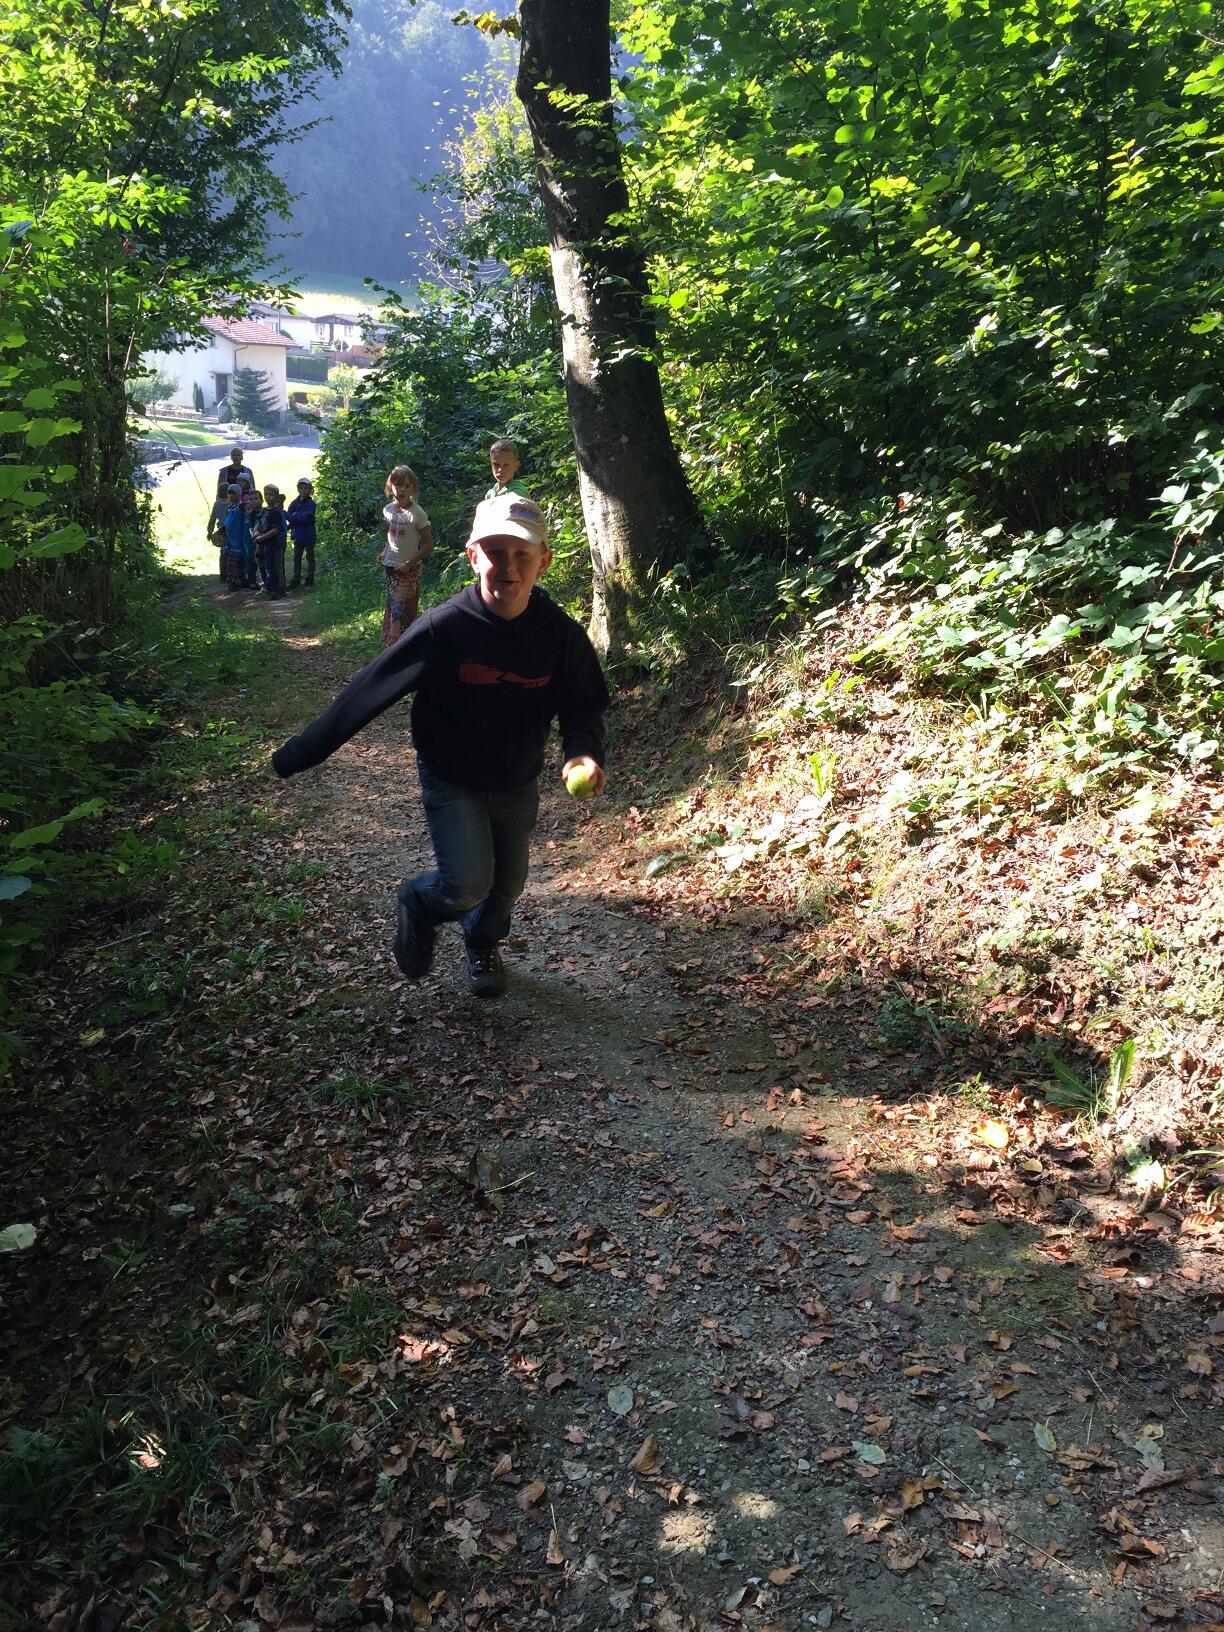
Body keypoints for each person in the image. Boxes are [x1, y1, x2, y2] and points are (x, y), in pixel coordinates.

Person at [271, 493, 609, 999]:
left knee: (506, 887)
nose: (508, 567)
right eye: (495, 552)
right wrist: (300, 752)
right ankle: (419, 903)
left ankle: (481, 941)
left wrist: (583, 753)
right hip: (451, 776)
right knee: (466, 882)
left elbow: (583, 705)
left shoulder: (560, 635)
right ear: (473, 556)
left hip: (517, 779)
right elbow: (368, 691)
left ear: (544, 561)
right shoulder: (443, 628)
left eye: (522, 554)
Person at [380, 463, 435, 646]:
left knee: (402, 608)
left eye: (407, 485)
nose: (402, 489)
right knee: (393, 606)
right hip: (391, 567)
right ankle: (392, 647)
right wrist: (385, 552)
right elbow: (391, 535)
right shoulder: (389, 510)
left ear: (413, 489)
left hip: (410, 570)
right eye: (398, 485)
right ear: (390, 486)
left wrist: (409, 563)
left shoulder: (417, 513)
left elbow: (428, 545)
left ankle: (402, 645)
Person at [252, 485, 288, 600]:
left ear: (276, 497)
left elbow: (275, 530)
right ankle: (267, 587)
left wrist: (262, 538)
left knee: (273, 567)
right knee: (264, 565)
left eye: (271, 495)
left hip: (273, 543)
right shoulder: (264, 511)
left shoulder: (276, 512)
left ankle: (275, 590)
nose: (268, 497)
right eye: (266, 494)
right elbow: (260, 524)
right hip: (263, 544)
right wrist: (257, 533)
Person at [287, 478, 317, 589]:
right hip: (298, 535)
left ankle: (310, 578)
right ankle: (296, 579)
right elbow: (288, 515)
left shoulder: (312, 504)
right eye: (301, 488)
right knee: (297, 558)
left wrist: (296, 516)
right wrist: (296, 517)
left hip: (309, 535)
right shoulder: (294, 503)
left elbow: (307, 517)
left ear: (310, 490)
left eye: (306, 488)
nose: (303, 490)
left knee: (310, 558)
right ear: (298, 489)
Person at [220, 484, 251, 591]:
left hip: (239, 539)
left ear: (239, 495)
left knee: (239, 561)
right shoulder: (229, 508)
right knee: (231, 563)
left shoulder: (240, 508)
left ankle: (241, 580)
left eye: (233, 494)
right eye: (229, 493)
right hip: (230, 540)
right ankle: (233, 582)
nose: (231, 496)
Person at [206, 474, 232, 582]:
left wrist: (210, 531)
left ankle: (223, 574)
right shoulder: (231, 503)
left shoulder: (216, 504)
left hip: (221, 532)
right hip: (232, 530)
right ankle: (232, 574)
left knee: (223, 553)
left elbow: (212, 519)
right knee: (233, 552)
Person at [237, 478, 261, 587]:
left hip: (259, 540)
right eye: (246, 509)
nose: (247, 511)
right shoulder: (246, 518)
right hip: (248, 542)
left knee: (258, 560)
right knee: (250, 560)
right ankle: (252, 581)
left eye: (255, 499)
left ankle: (260, 580)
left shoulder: (260, 514)